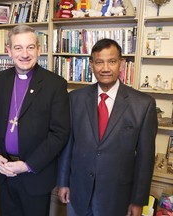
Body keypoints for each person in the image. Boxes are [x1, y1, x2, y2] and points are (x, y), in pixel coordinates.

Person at [57, 38, 158, 216]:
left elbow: (145, 159)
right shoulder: (75, 99)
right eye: (99, 62)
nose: (105, 68)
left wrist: (138, 200)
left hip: (117, 198)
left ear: (121, 63)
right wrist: (63, 182)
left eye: (111, 61)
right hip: (78, 192)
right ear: (91, 65)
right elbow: (68, 146)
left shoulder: (143, 104)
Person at [0, 24, 70, 216]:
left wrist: (27, 165)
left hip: (35, 174)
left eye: (30, 47)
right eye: (18, 47)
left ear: (39, 49)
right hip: (5, 171)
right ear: (9, 51)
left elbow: (60, 134)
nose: (24, 54)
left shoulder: (55, 84)